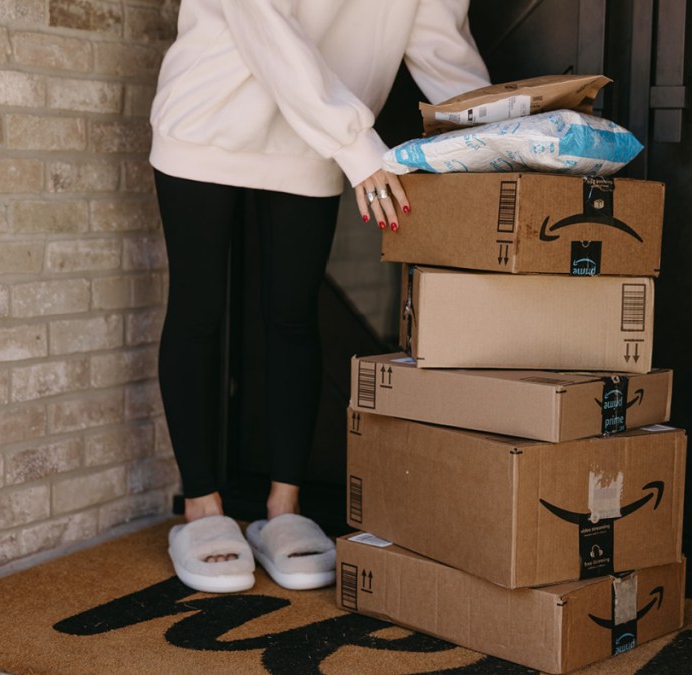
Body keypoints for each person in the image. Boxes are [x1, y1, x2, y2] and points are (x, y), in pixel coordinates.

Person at [150, 0, 490, 594]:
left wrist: (504, 139)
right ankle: (202, 509)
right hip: (209, 112)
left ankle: (283, 508)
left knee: (292, 317)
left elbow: (443, 49)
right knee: (198, 313)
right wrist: (357, 144)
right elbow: (262, 23)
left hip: (313, 138)